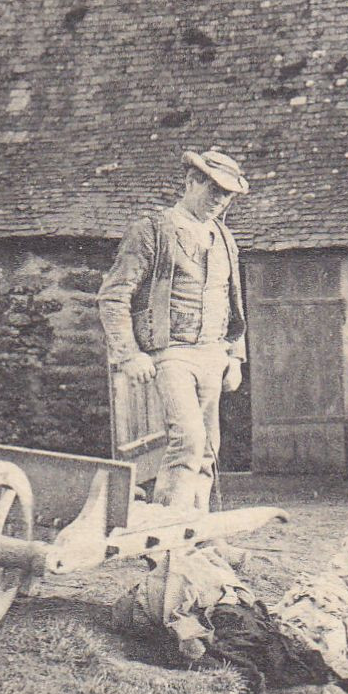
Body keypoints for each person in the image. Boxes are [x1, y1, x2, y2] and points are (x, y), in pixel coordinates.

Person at [98, 149, 249, 513]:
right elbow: (113, 296)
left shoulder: (224, 238)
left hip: (212, 355)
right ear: (191, 182)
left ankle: (197, 534)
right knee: (189, 439)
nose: (219, 201)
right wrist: (129, 354)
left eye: (227, 195)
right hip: (171, 354)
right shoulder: (152, 230)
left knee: (208, 449)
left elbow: (233, 306)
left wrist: (235, 357)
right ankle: (166, 532)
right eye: (213, 190)